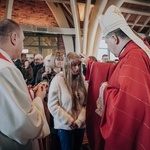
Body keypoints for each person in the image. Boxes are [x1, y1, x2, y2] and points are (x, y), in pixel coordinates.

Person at [83, 5, 150, 150]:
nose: (107, 45)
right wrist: (91, 64)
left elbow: (131, 104)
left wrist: (104, 89)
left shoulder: (134, 57)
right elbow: (116, 70)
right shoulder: (131, 54)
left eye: (106, 42)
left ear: (114, 38)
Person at [0, 19, 50, 150]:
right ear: (14, 38)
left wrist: (31, 92)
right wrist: (39, 97)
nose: (23, 47)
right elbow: (25, 124)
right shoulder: (5, 69)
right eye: (23, 40)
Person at [48, 52, 87, 150]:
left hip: (80, 126)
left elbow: (87, 104)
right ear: (67, 65)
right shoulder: (58, 80)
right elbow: (53, 105)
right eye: (73, 65)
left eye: (78, 65)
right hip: (64, 127)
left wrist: (79, 121)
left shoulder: (83, 80)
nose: (77, 68)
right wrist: (69, 121)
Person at [42, 51, 64, 150]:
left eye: (62, 59)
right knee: (55, 132)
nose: (60, 62)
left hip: (65, 105)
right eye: (58, 59)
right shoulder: (46, 75)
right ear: (53, 61)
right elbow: (45, 93)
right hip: (53, 105)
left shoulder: (67, 74)